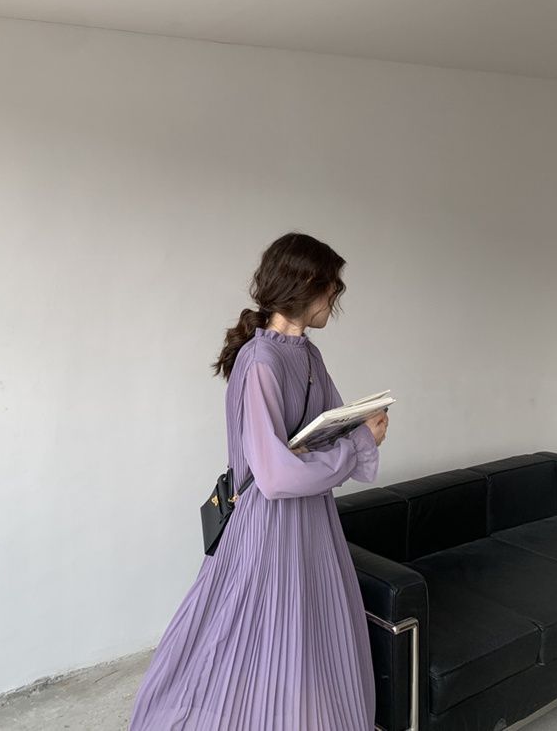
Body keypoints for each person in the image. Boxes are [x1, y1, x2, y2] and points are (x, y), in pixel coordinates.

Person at [128, 231, 389, 730]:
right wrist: (358, 444)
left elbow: (327, 427)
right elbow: (273, 474)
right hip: (269, 526)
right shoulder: (259, 361)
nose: (335, 297)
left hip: (310, 520)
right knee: (249, 635)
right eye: (331, 286)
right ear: (305, 284)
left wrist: (357, 428)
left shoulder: (308, 355)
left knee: (307, 633)